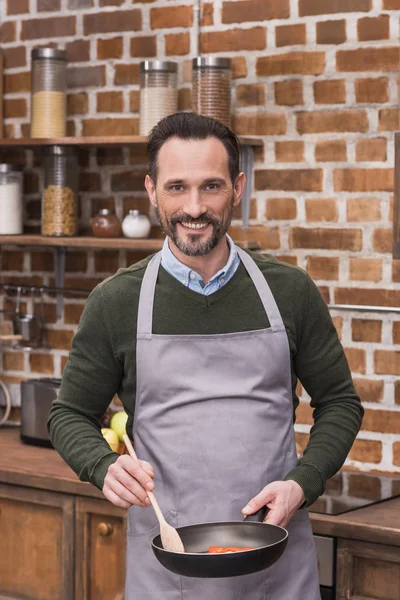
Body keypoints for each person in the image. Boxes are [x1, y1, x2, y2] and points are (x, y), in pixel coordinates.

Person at [48, 112, 363, 599]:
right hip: (167, 562)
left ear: (237, 188)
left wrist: (303, 482)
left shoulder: (290, 291)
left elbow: (341, 402)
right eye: (177, 187)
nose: (194, 207)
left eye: (210, 186)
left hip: (276, 562)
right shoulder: (117, 302)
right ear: (152, 191)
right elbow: (69, 414)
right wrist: (102, 466)